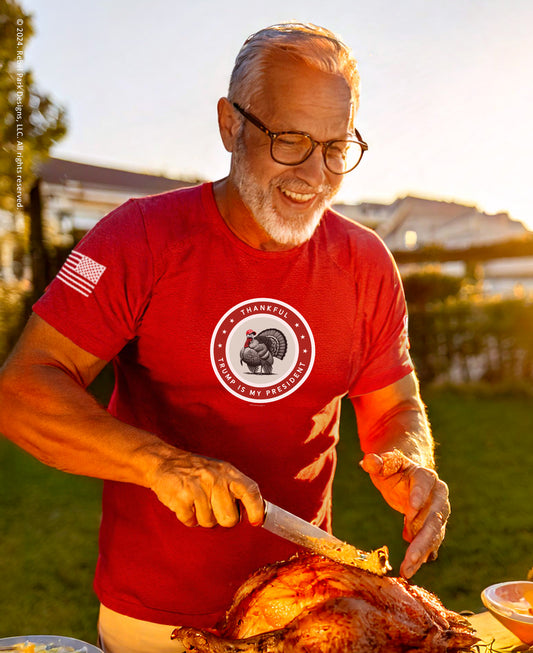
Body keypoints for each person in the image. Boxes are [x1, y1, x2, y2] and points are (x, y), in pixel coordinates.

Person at [0, 22, 449, 653]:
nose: (315, 175)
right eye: (291, 141)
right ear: (231, 125)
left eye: (336, 146)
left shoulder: (366, 263)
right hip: (156, 619)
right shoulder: (141, 238)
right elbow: (22, 391)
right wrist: (160, 464)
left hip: (309, 611)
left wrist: (411, 464)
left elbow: (396, 406)